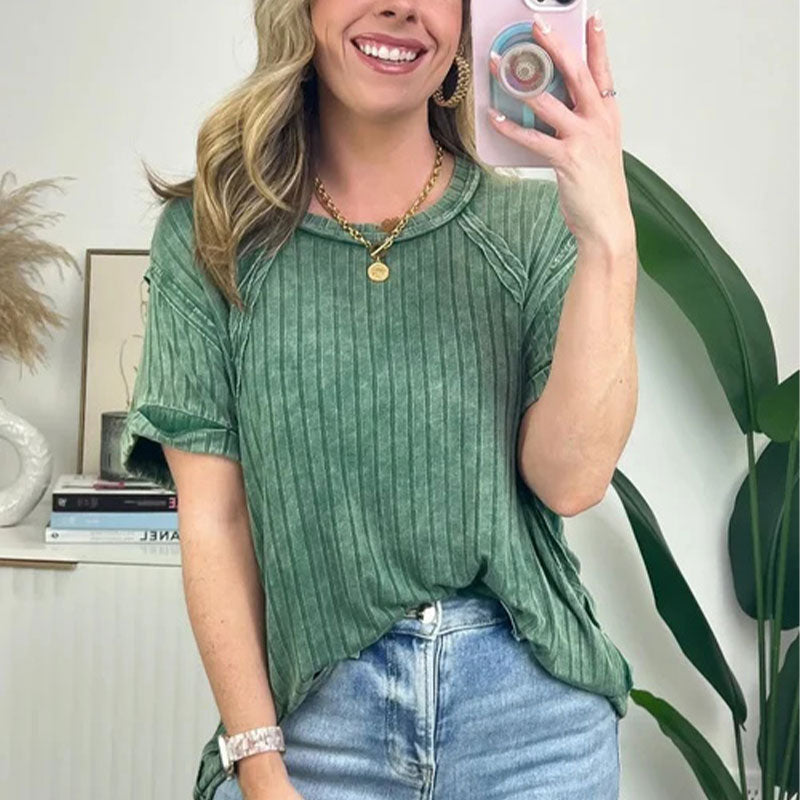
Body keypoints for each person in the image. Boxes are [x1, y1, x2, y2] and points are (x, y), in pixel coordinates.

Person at [120, 1, 639, 799]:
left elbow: (570, 481)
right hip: (314, 732)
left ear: (463, 22)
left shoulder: (533, 227)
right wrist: (259, 764)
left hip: (533, 733)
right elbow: (215, 521)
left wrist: (608, 238)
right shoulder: (212, 235)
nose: (400, 6)